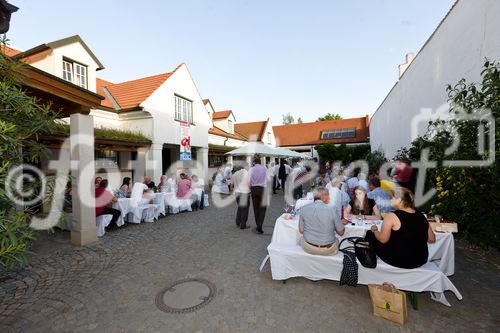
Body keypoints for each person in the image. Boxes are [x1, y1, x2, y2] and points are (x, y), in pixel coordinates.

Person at [365, 187, 436, 269]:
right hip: (420, 260)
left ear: (400, 200)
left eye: (392, 198)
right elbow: (432, 239)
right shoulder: (422, 216)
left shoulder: (391, 216)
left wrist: (375, 230)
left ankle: (369, 260)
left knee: (370, 234)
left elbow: (383, 239)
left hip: (400, 260)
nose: (390, 200)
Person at [299, 187, 345, 255]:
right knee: (337, 240)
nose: (329, 198)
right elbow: (341, 233)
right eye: (328, 195)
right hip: (327, 250)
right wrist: (338, 224)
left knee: (300, 239)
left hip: (308, 248)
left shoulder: (303, 208)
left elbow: (301, 230)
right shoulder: (332, 209)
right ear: (323, 197)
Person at [249, 156, 268, 234]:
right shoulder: (264, 168)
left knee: (255, 208)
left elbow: (248, 180)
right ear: (260, 162)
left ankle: (258, 225)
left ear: (254, 162)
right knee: (263, 208)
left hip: (254, 189)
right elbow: (268, 179)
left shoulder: (251, 169)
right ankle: (260, 225)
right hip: (262, 189)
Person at [230, 164, 251, 229]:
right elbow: (249, 184)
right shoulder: (247, 173)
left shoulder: (235, 173)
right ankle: (243, 225)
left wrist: (232, 191)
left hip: (237, 193)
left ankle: (238, 222)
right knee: (245, 209)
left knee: (240, 207)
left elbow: (231, 185)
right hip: (245, 193)